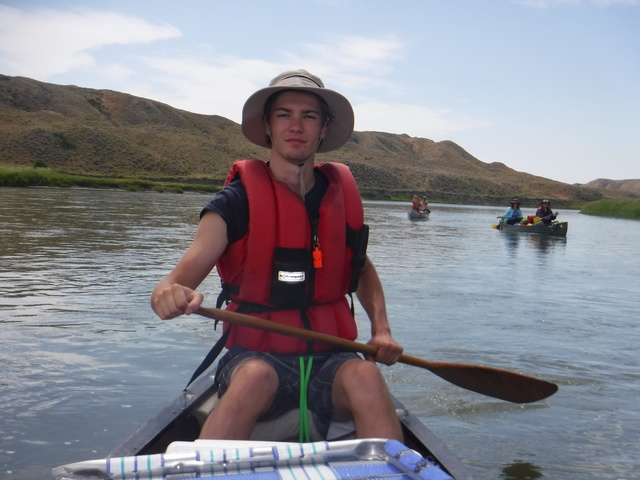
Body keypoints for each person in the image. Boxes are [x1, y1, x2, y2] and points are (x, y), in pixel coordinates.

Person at [151, 69, 404, 442]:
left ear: (324, 128)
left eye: (309, 116)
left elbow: (361, 268)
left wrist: (381, 330)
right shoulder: (234, 203)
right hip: (256, 358)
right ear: (268, 126)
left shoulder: (339, 198)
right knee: (255, 377)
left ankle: (385, 466)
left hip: (330, 359)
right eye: (284, 115)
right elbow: (171, 285)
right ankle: (203, 466)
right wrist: (169, 295)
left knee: (366, 374)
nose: (296, 126)